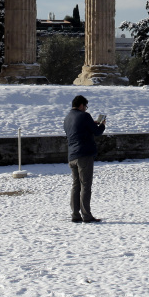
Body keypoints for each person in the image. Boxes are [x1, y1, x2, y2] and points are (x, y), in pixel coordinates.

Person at [63, 94, 106, 223]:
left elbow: (77, 130)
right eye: (85, 106)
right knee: (86, 185)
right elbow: (97, 132)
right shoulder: (85, 116)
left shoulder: (67, 118)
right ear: (81, 105)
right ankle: (86, 215)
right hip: (84, 155)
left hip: (72, 156)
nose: (86, 109)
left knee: (76, 185)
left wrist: (90, 124)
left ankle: (75, 214)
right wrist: (102, 124)